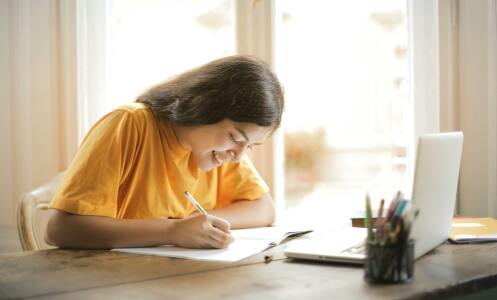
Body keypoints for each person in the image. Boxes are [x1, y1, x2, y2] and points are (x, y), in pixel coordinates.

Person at [45, 55, 285, 250]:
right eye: (235, 138)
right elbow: (60, 229)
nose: (239, 155)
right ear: (204, 107)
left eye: (250, 146)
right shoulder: (129, 124)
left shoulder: (221, 151)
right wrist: (173, 231)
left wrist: (198, 225)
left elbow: (264, 209)